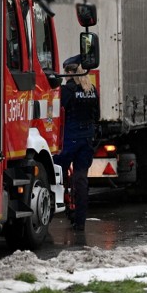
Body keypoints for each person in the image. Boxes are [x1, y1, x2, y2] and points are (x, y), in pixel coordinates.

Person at [55, 55, 99, 231]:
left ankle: (63, 204)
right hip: (86, 140)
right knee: (81, 179)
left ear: (72, 72)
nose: (65, 75)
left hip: (69, 139)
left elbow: (58, 113)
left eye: (66, 72)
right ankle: (80, 221)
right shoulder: (92, 90)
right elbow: (96, 116)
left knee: (58, 173)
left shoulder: (67, 91)